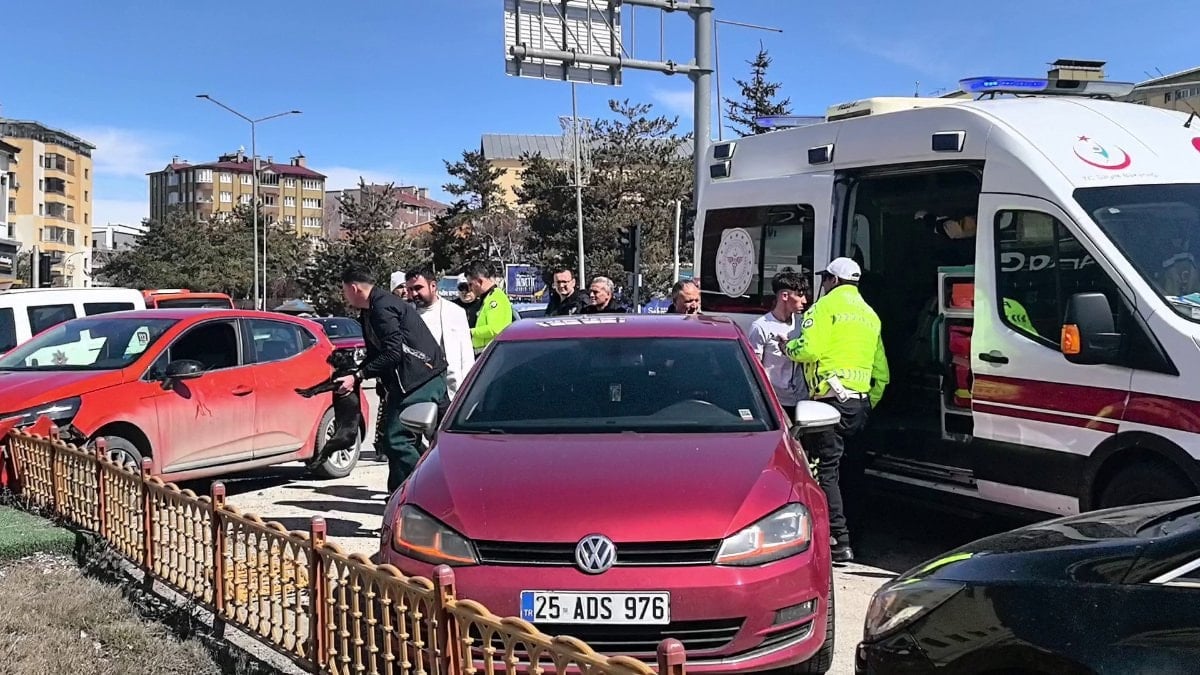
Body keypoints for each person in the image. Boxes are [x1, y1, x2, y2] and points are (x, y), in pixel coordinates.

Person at [782, 257, 889, 564]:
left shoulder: (823, 308)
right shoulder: (871, 316)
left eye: (825, 279)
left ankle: (838, 541)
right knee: (853, 472)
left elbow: (810, 350)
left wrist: (789, 346)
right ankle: (857, 535)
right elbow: (882, 373)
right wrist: (867, 404)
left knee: (826, 472)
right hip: (859, 404)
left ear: (833, 280)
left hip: (828, 403)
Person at [337, 266, 448, 493]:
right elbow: (376, 354)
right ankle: (400, 495)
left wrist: (359, 375)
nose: (344, 296)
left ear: (354, 288)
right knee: (424, 442)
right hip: (414, 380)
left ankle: (425, 489)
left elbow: (393, 352)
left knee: (397, 440)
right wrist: (355, 375)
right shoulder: (371, 309)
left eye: (344, 290)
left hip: (419, 380)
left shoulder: (382, 307)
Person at [405, 267, 475, 401]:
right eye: (410, 289)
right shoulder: (406, 315)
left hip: (451, 390)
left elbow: (466, 356)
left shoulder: (455, 312)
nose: (414, 294)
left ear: (433, 286)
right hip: (421, 390)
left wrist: (467, 390)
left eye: (418, 288)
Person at [748, 271, 810, 421]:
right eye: (800, 295)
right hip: (776, 402)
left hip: (802, 400)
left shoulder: (803, 324)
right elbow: (754, 368)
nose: (805, 301)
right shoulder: (761, 327)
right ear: (784, 296)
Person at [464, 261, 514, 354]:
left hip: (491, 354)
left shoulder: (495, 298)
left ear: (479, 281)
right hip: (486, 353)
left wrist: (470, 332)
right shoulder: (488, 298)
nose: (470, 289)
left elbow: (495, 329)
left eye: (471, 284)